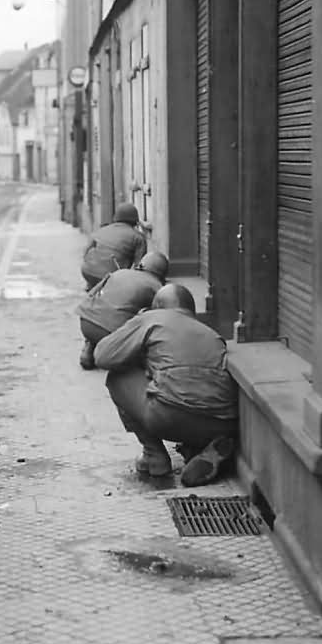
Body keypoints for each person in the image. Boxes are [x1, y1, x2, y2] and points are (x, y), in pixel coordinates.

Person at [93, 284, 238, 486]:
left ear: (158, 306)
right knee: (189, 387)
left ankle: (154, 456)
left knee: (118, 377)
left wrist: (136, 325)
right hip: (222, 423)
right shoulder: (212, 334)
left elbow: (102, 356)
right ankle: (202, 450)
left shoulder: (152, 319)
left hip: (169, 415)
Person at [76, 250, 168, 370]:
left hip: (86, 322)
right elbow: (164, 317)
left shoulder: (119, 273)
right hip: (112, 332)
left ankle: (90, 343)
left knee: (106, 310)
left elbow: (92, 294)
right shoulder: (156, 286)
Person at [80, 202, 147, 290]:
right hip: (111, 276)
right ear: (135, 221)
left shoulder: (101, 230)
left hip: (87, 271)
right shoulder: (138, 237)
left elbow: (86, 252)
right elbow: (139, 266)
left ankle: (92, 288)